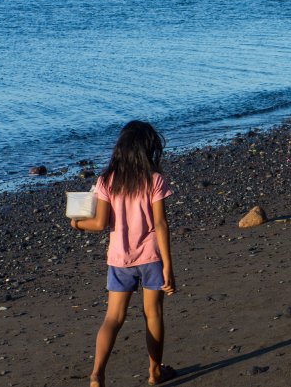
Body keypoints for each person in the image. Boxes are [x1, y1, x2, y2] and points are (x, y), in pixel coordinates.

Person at [69, 121, 176, 387]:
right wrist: (168, 267)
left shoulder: (107, 180)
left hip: (119, 260)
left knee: (113, 318)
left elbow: (100, 223)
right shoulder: (154, 180)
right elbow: (160, 224)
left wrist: (76, 223)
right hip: (151, 257)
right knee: (153, 315)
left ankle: (97, 374)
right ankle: (154, 372)